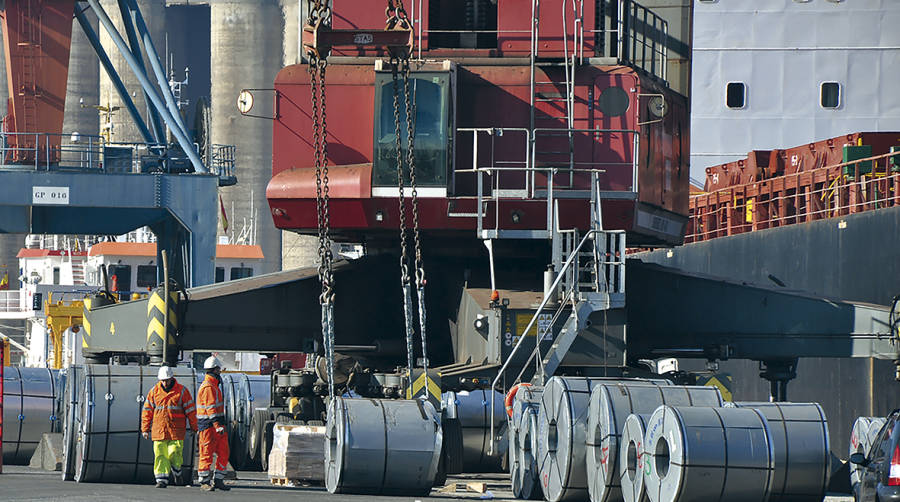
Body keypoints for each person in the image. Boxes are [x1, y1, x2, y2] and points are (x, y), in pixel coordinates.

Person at [141, 365, 197, 488]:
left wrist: (194, 427)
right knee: (160, 455)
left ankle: (177, 471)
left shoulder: (182, 391)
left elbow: (191, 411)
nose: (165, 383)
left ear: (172, 378)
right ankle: (161, 480)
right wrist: (145, 429)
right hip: (159, 431)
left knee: (175, 453)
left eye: (167, 380)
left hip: (176, 431)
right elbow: (147, 411)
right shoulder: (154, 392)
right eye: (163, 380)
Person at [197, 355, 230, 491]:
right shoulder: (208, 387)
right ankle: (204, 481)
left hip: (217, 426)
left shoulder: (214, 386)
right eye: (218, 369)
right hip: (209, 427)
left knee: (224, 452)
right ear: (214, 370)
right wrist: (217, 426)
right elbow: (211, 409)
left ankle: (218, 479)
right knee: (206, 453)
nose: (220, 372)